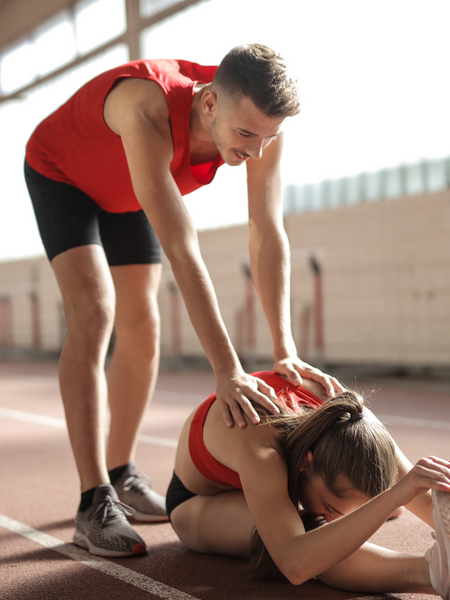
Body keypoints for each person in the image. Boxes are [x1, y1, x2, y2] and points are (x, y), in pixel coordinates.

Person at [24, 44, 344, 557]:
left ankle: (121, 470)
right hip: (64, 175)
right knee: (96, 312)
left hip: (128, 188)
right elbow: (181, 247)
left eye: (269, 139)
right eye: (246, 137)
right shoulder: (145, 107)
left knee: (144, 324)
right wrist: (227, 370)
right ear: (210, 103)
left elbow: (267, 231)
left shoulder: (258, 125)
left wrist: (285, 349)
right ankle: (93, 499)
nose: (255, 153)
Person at [167, 370, 450, 598]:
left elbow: (418, 489)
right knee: (316, 540)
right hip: (196, 501)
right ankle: (434, 575)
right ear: (306, 462)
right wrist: (390, 499)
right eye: (329, 507)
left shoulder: (350, 416)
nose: (333, 517)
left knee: (382, 491)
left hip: (274, 474)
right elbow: (295, 564)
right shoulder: (261, 449)